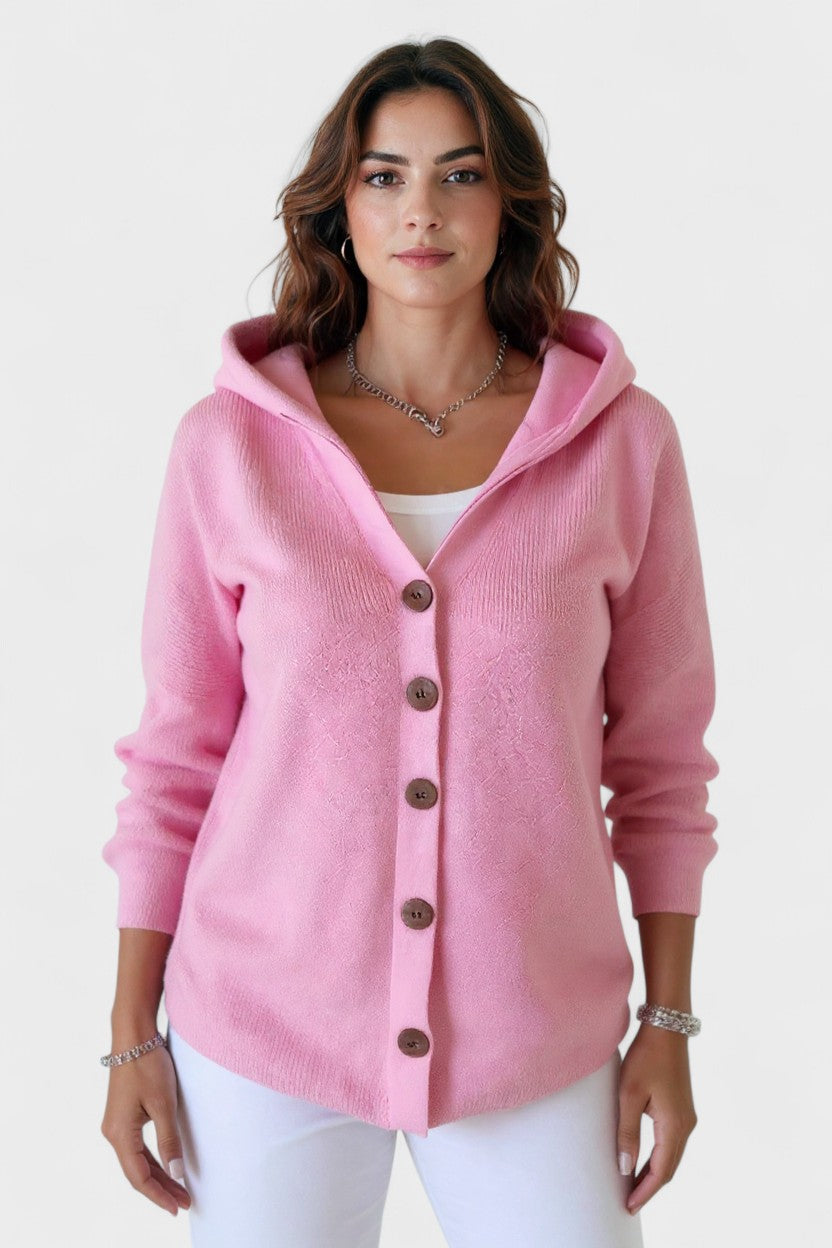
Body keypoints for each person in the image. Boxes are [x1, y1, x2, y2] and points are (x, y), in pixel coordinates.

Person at [100, 37, 719, 1248]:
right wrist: (131, 1035)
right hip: (262, 1025)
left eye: (460, 174)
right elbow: (176, 761)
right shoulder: (229, 447)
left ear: (510, 203)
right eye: (383, 176)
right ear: (338, 208)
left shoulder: (622, 445)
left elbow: (660, 768)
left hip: (532, 1030)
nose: (420, 211)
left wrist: (668, 1022)